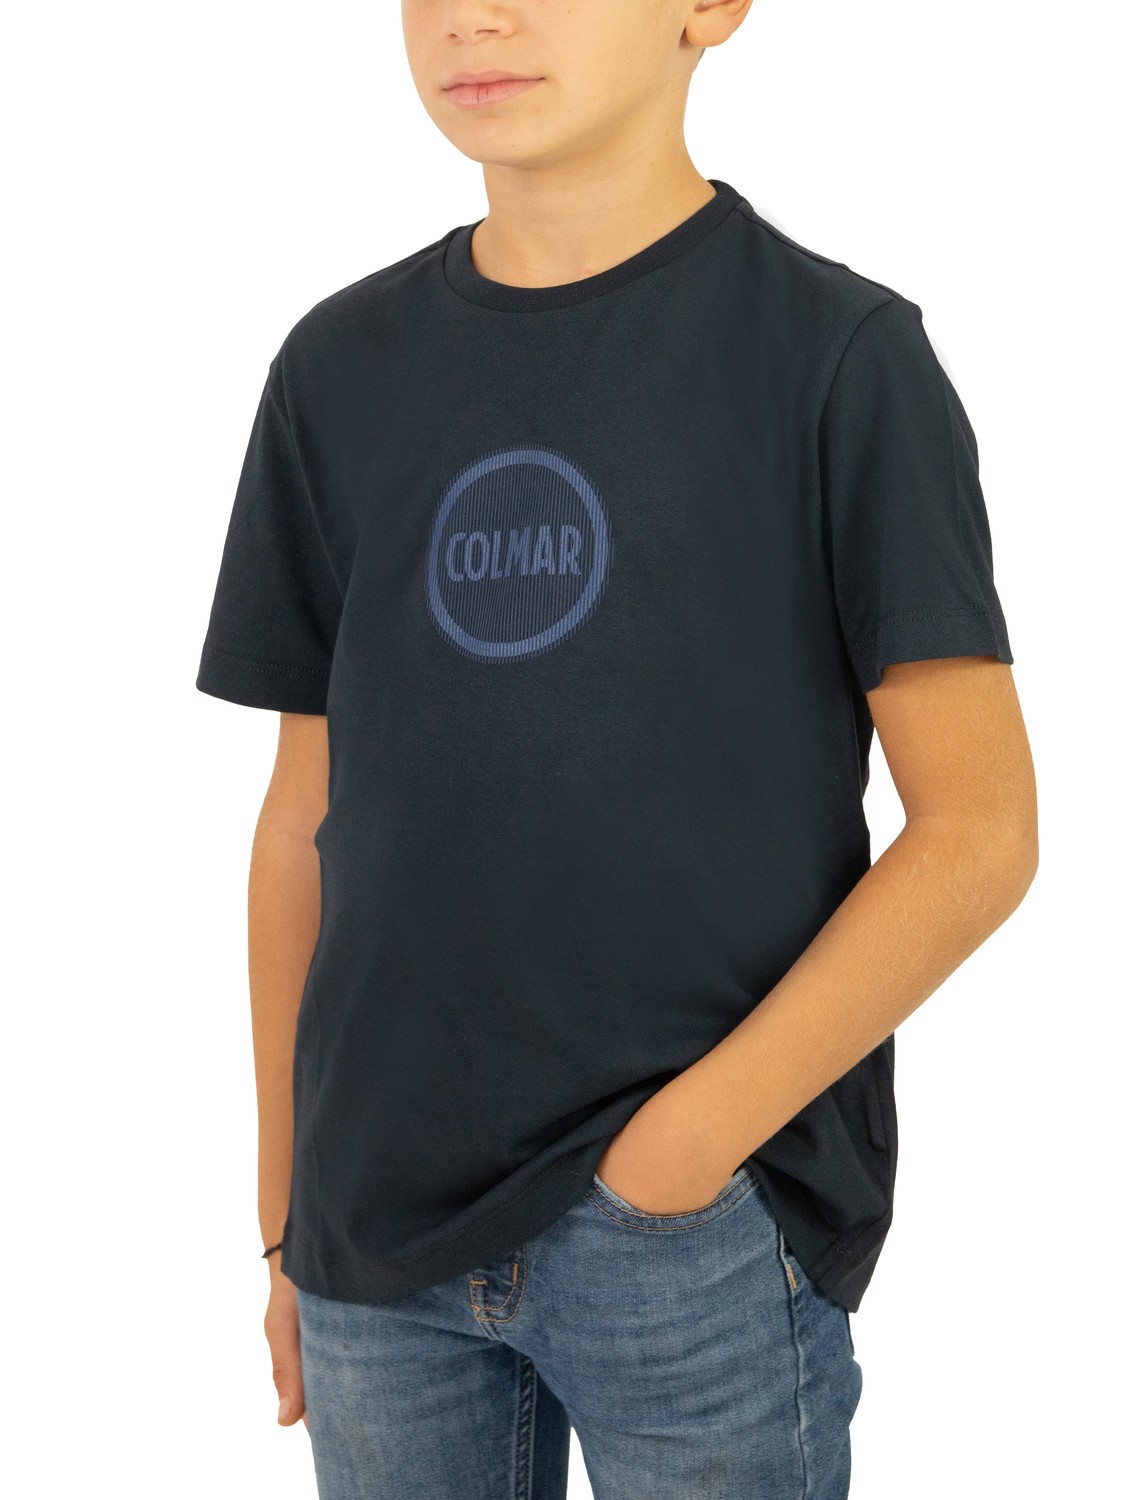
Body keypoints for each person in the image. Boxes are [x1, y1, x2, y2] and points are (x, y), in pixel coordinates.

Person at [195, 2, 1038, 1494]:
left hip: (685, 1241)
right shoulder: (335, 367)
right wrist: (284, 1221)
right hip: (371, 1242)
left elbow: (979, 832)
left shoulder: (838, 357)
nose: (476, 17)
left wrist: (688, 1146)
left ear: (708, 8)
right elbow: (298, 821)